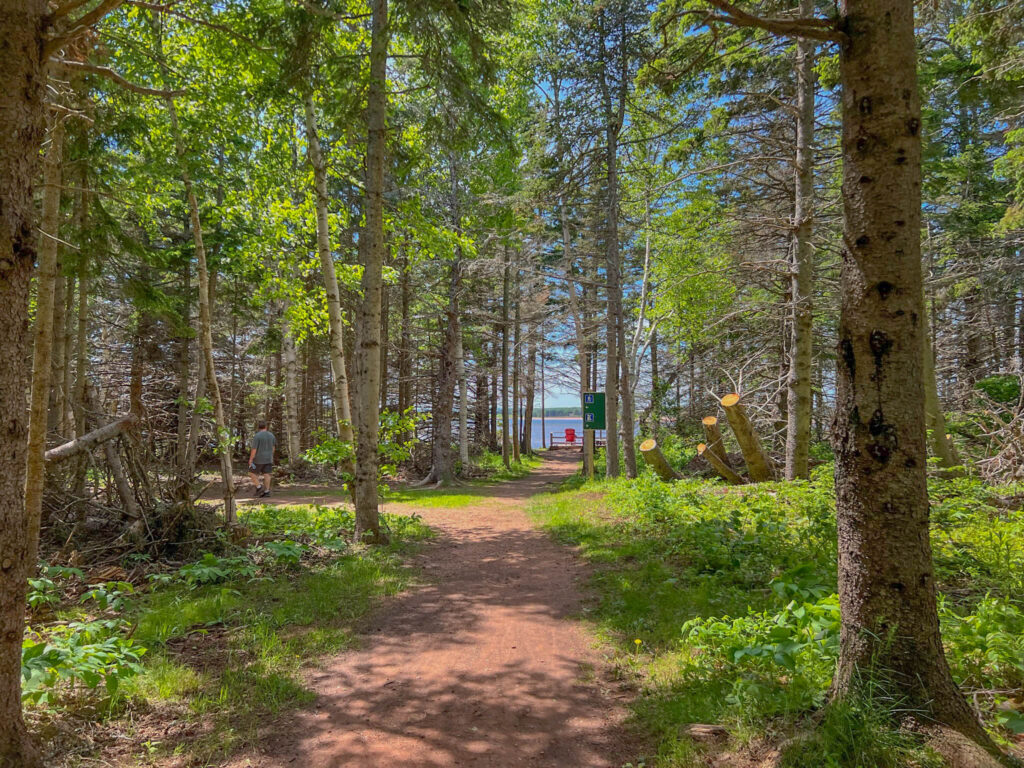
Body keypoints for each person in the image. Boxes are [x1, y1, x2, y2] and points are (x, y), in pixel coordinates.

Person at [249, 421, 277, 498]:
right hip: (268, 458)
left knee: (252, 473)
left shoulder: (257, 436)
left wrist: (251, 459)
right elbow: (273, 447)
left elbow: (254, 449)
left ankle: (259, 487)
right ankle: (267, 491)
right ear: (266, 427)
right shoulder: (271, 435)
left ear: (258, 428)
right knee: (267, 474)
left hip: (258, 459)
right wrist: (271, 455)